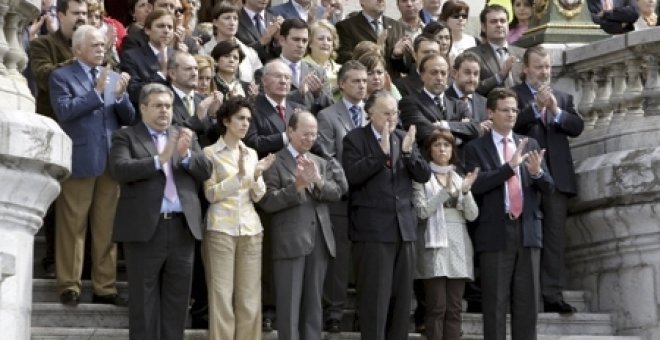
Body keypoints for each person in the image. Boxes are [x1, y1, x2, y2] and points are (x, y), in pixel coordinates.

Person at [109, 83, 212, 340]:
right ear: (143, 108)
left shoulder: (185, 135)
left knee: (177, 304)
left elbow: (205, 170)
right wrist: (159, 160)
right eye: (158, 106)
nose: (165, 111)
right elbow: (120, 169)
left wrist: (186, 154)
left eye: (168, 106)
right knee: (143, 304)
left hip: (182, 229)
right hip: (145, 230)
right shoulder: (126, 136)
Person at [49, 24, 135, 307]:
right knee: (72, 226)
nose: (102, 49)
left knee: (107, 229)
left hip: (111, 162)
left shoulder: (111, 77)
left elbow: (129, 117)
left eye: (103, 45)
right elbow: (64, 111)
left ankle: (105, 286)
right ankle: (69, 284)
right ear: (77, 49)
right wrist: (97, 94)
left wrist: (121, 96)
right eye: (95, 45)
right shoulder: (61, 76)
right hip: (80, 160)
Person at [463, 87, 554, 340]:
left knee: (527, 304)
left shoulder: (531, 144)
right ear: (490, 113)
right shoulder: (475, 148)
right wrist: (509, 168)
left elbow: (549, 187)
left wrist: (536, 172)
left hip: (528, 230)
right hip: (495, 231)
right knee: (495, 304)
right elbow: (476, 185)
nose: (511, 114)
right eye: (505, 110)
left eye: (515, 110)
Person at [342, 90, 431, 340]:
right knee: (375, 302)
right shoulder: (355, 139)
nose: (392, 118)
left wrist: (407, 153)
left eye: (395, 113)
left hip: (404, 230)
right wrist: (379, 154)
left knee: (401, 303)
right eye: (386, 113)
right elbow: (353, 176)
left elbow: (423, 175)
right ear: (371, 114)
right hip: (372, 232)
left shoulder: (403, 137)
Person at [260, 111, 348, 340]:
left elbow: (336, 192)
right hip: (290, 242)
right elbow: (267, 202)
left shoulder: (320, 161)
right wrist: (296, 187)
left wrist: (318, 181)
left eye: (314, 134)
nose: (310, 139)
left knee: (313, 304)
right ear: (290, 131)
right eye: (305, 133)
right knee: (289, 305)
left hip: (319, 239)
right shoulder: (274, 161)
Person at [512, 46, 584, 314]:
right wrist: (534, 109)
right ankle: (523, 294)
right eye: (538, 67)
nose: (544, 72)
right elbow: (513, 123)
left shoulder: (563, 98)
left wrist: (555, 110)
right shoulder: (515, 96)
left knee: (554, 238)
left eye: (547, 67)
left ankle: (552, 294)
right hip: (525, 178)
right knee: (525, 238)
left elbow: (577, 127)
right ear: (526, 68)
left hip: (558, 178)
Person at [202, 96, 276, 340]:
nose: (245, 124)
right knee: (221, 295)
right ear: (226, 121)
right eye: (240, 119)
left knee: (249, 296)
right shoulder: (209, 153)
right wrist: (239, 176)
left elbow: (258, 196)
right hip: (220, 228)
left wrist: (256, 174)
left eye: (248, 119)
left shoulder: (252, 153)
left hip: (251, 229)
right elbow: (210, 194)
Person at [30, 0, 88, 279]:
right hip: (56, 128)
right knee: (55, 197)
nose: (81, 18)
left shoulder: (95, 45)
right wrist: (77, 61)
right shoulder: (44, 44)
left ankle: (82, 264)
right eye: (76, 13)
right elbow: (43, 77)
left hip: (88, 134)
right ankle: (53, 258)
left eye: (85, 14)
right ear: (61, 15)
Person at [316, 60, 369, 333]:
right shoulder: (327, 116)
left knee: (367, 258)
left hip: (371, 201)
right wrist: (353, 178)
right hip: (341, 197)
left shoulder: (374, 114)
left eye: (364, 80)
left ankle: (365, 311)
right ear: (342, 84)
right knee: (338, 258)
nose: (362, 85)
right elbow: (328, 156)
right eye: (356, 81)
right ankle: (334, 313)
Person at [413, 129, 478, 340]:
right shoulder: (422, 178)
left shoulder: (459, 178)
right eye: (437, 144)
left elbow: (472, 215)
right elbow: (421, 212)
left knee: (455, 308)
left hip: (458, 244)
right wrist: (443, 193)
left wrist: (465, 192)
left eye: (447, 145)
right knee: (436, 307)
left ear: (453, 150)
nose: (442, 149)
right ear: (429, 150)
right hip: (434, 246)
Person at [399, 54, 479, 147]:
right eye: (434, 73)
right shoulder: (409, 103)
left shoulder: (459, 104)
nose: (439, 78)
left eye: (443, 73)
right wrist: (459, 136)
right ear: (422, 75)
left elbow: (475, 129)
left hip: (457, 160)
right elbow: (424, 133)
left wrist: (444, 125)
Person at [276, 18, 334, 114]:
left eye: (304, 41)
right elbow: (266, 106)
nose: (301, 45)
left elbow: (332, 110)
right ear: (282, 40)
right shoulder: (266, 71)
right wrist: (298, 93)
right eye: (296, 40)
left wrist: (318, 95)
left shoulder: (319, 72)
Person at [120, 9, 175, 108]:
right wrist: (161, 74)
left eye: (170, 27)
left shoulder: (179, 56)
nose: (166, 30)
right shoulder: (132, 57)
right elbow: (134, 93)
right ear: (147, 30)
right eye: (161, 26)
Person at [466, 4, 523, 96]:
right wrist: (500, 76)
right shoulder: (472, 55)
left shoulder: (523, 53)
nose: (499, 25)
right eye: (493, 22)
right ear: (484, 27)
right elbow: (472, 88)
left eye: (503, 21)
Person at [202, 2, 262, 84]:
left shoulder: (249, 52)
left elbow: (260, 78)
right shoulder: (203, 51)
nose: (232, 23)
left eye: (235, 18)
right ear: (215, 22)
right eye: (227, 18)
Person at [335, 0, 406, 67]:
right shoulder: (346, 27)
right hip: (364, 78)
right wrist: (374, 51)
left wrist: (396, 56)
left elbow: (405, 68)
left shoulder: (397, 26)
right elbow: (343, 60)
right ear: (362, 1)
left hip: (393, 79)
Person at [446, 51, 490, 124]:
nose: (472, 79)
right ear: (454, 73)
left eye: (476, 74)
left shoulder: (485, 103)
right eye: (467, 72)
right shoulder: (443, 99)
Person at [393, 33, 441, 98]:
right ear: (415, 55)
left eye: (434, 52)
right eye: (426, 52)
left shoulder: (447, 85)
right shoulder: (401, 85)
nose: (430, 56)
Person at [302, 19, 341, 92]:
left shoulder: (341, 70)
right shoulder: (301, 66)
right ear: (310, 43)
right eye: (321, 39)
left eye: (329, 39)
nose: (325, 43)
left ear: (333, 45)